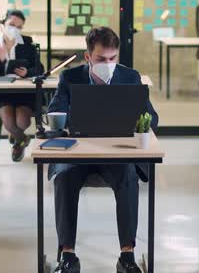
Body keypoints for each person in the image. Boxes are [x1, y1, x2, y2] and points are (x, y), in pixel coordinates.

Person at [47, 27, 158, 273]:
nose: (108, 64)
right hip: (78, 153)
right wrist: (66, 121)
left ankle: (127, 256)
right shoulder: (70, 77)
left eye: (112, 58)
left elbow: (153, 117)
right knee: (64, 177)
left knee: (128, 176)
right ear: (87, 57)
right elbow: (54, 111)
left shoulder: (129, 77)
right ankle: (68, 257)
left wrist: (138, 123)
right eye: (100, 59)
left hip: (117, 153)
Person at [0, 10, 44, 162]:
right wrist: (1, 56)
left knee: (22, 121)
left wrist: (27, 72)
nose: (14, 29)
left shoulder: (27, 42)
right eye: (11, 25)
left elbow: (40, 69)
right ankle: (21, 140)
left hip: (25, 92)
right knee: (10, 122)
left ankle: (17, 137)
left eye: (19, 27)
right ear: (3, 24)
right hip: (3, 92)